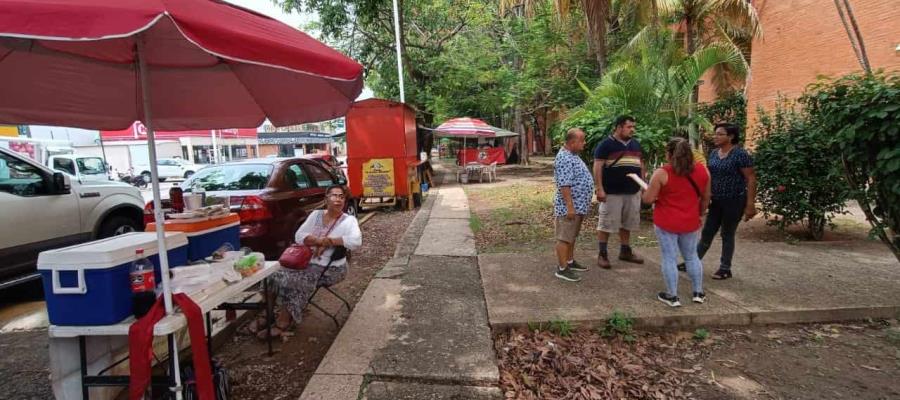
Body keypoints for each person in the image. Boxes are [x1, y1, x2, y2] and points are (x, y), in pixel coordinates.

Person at [262, 185, 362, 337]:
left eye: (341, 196)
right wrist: (316, 240)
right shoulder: (315, 215)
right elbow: (299, 235)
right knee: (270, 277)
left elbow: (356, 241)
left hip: (331, 268)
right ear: (326, 199)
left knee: (294, 280)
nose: (338, 199)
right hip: (305, 262)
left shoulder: (349, 221)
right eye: (334, 195)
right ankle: (267, 316)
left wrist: (329, 241)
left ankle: (284, 321)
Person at [642, 138, 711, 307]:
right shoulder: (703, 171)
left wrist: (648, 191)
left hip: (667, 222)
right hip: (690, 221)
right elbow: (706, 198)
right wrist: (699, 213)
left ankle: (672, 295)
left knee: (669, 258)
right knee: (692, 256)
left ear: (669, 154)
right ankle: (698, 292)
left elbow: (648, 199)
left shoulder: (662, 173)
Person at [683, 123, 757, 280]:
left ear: (730, 137)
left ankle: (725, 268)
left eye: (720, 134)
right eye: (715, 133)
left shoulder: (740, 154)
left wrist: (750, 204)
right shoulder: (714, 153)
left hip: (734, 200)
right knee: (707, 232)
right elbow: (709, 176)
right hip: (716, 200)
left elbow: (750, 178)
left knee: (727, 233)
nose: (715, 137)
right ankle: (693, 261)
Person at [593, 115, 645, 269]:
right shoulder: (605, 145)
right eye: (629, 127)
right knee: (606, 224)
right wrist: (599, 188)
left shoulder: (636, 144)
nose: (632, 130)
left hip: (632, 191)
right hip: (612, 192)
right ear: (619, 127)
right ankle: (602, 253)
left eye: (633, 127)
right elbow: (597, 167)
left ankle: (625, 251)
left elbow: (641, 165)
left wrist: (642, 185)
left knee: (627, 223)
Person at [552, 128, 594, 282]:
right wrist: (570, 206)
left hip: (578, 205)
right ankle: (562, 268)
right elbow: (564, 185)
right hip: (569, 207)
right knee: (564, 237)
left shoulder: (573, 156)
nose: (584, 143)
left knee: (571, 236)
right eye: (582, 140)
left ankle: (570, 261)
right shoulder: (564, 157)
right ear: (572, 142)